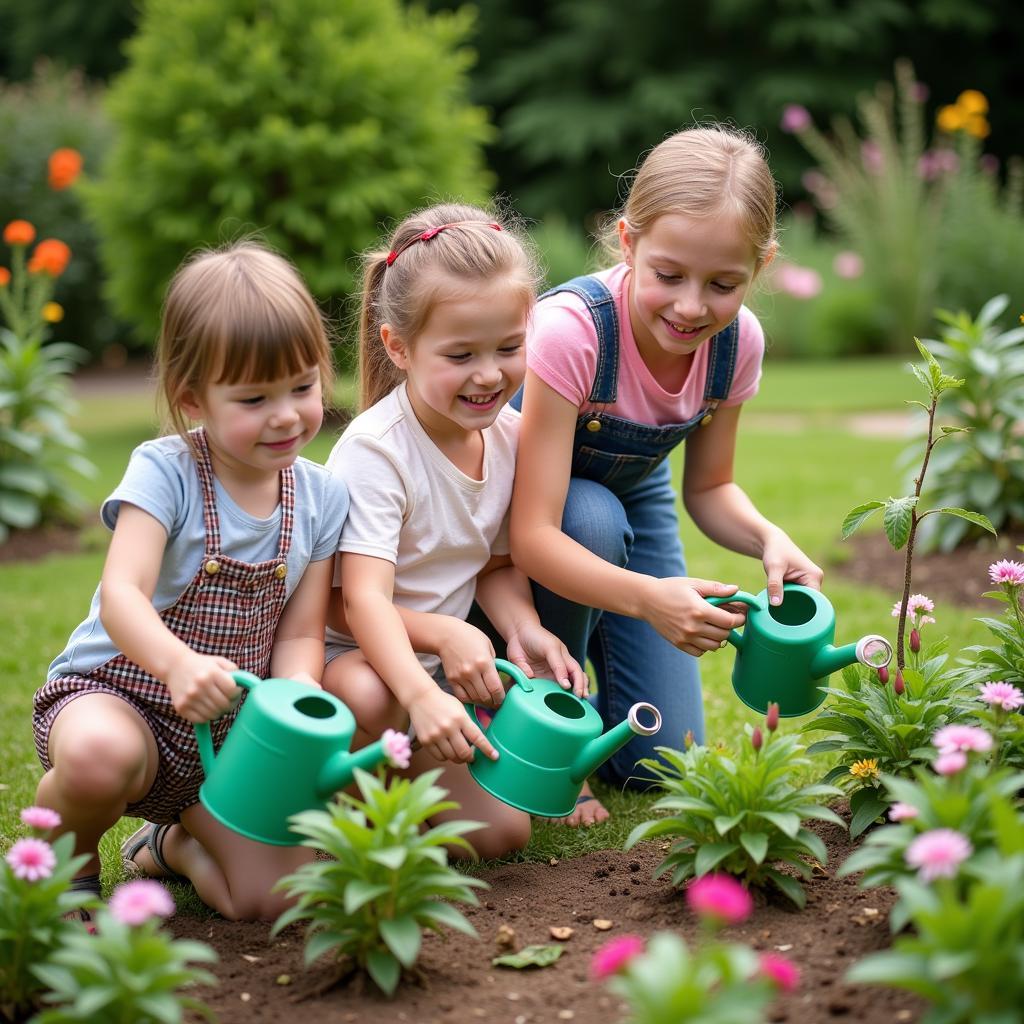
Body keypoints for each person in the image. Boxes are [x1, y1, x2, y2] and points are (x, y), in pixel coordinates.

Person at [510, 125, 824, 826]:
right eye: (668, 275)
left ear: (762, 266)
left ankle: (604, 706)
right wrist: (651, 599)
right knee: (587, 517)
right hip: (523, 514)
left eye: (723, 284)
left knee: (665, 757)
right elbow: (532, 534)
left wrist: (769, 539)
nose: (691, 307)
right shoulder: (574, 331)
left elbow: (709, 489)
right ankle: (553, 725)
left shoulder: (736, 344)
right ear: (627, 243)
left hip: (634, 493)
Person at [31, 241, 348, 920]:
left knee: (269, 900)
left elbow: (299, 633)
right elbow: (122, 595)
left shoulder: (322, 498)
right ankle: (70, 867)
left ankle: (169, 845)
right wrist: (175, 664)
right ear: (192, 397)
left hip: (227, 739)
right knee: (95, 756)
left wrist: (297, 695)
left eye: (303, 386)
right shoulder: (166, 471)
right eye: (255, 397)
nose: (287, 414)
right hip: (123, 699)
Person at [322, 203, 586, 858]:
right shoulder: (377, 451)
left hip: (432, 681)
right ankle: (330, 800)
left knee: (500, 836)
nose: (490, 374)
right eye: (461, 354)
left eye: (509, 348)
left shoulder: (507, 436)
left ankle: (376, 803)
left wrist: (523, 630)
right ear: (398, 348)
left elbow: (495, 565)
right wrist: (436, 652)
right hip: (350, 669)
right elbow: (359, 601)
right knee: (366, 691)